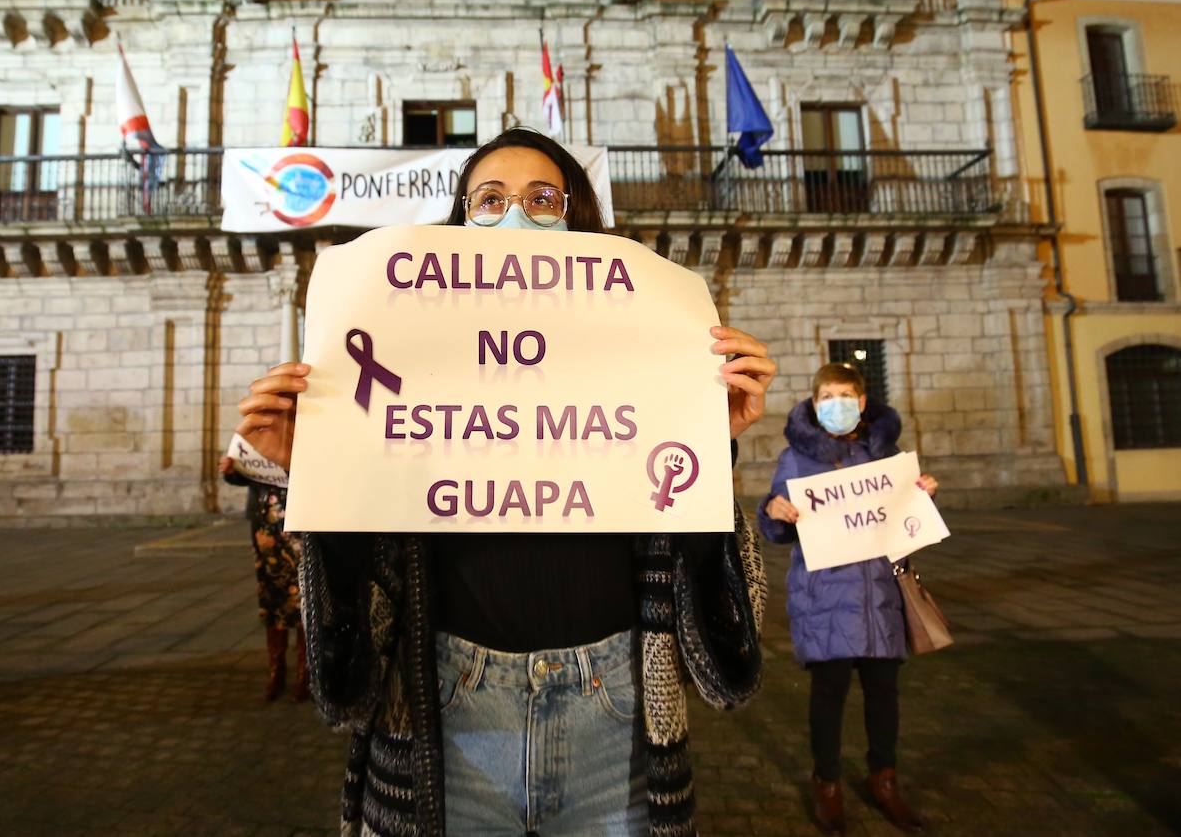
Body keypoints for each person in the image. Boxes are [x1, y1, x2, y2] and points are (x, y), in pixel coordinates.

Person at [234, 128, 777, 836]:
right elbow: (352, 640)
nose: (514, 215)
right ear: (461, 219)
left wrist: (711, 438)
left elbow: (721, 621)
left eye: (542, 199)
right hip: (448, 703)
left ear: (578, 219)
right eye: (489, 199)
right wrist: (316, 469)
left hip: (612, 703)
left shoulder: (646, 350)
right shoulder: (402, 349)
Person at [757, 363, 938, 834]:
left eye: (844, 395)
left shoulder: (886, 455)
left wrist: (922, 498)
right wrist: (775, 510)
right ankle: (828, 784)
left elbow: (904, 522)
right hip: (824, 597)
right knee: (829, 694)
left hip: (879, 594)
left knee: (884, 694)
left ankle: (885, 780)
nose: (834, 403)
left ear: (860, 402)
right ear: (816, 406)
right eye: (825, 397)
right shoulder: (795, 459)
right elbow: (776, 524)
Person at [219, 454, 309, 702]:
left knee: (303, 596)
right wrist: (231, 470)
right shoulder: (256, 424)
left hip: (299, 517)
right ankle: (276, 670)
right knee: (271, 595)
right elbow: (245, 473)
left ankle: (306, 672)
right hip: (264, 519)